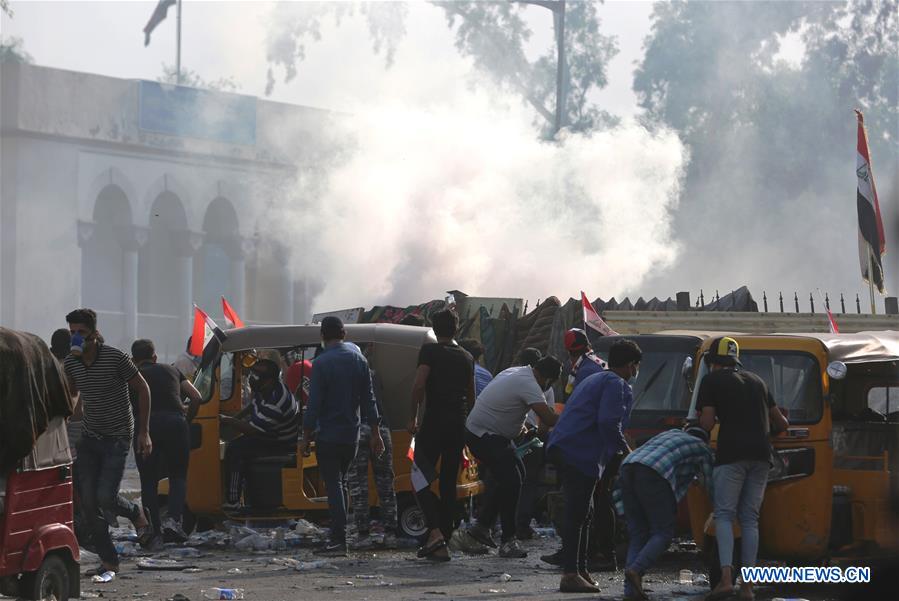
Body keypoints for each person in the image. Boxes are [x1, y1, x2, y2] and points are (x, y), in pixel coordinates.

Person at [546, 339, 641, 593]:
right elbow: (610, 423)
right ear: (632, 365)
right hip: (579, 452)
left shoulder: (594, 379)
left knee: (585, 512)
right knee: (578, 513)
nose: (635, 372)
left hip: (568, 448)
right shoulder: (615, 384)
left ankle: (580, 569)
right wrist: (627, 454)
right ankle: (570, 573)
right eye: (635, 367)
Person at [698, 337, 789, 601]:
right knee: (750, 519)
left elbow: (705, 423)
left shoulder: (711, 381)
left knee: (725, 515)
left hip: (731, 455)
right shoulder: (757, 380)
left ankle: (726, 580)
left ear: (713, 362)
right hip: (762, 455)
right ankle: (747, 588)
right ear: (736, 360)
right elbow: (781, 422)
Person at [63, 308, 152, 576]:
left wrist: (144, 432)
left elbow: (143, 388)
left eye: (81, 333)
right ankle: (109, 560)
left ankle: (135, 513)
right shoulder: (71, 362)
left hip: (118, 435)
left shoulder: (115, 357)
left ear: (94, 334)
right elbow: (73, 396)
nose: (76, 338)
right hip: (90, 436)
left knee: (105, 496)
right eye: (72, 333)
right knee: (88, 502)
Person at [465, 355, 562, 559]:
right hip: (485, 435)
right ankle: (507, 541)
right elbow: (549, 418)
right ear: (548, 379)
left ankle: (482, 525)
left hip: (489, 434)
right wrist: (577, 414)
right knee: (512, 481)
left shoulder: (516, 371)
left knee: (515, 476)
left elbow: (507, 408)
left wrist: (523, 428)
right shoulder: (529, 383)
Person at [302, 317, 384, 557]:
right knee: (343, 483)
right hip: (352, 436)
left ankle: (338, 540)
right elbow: (370, 400)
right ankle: (339, 536)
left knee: (334, 484)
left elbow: (314, 404)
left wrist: (305, 436)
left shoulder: (321, 362)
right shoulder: (359, 359)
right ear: (344, 334)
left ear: (322, 336)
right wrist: (376, 434)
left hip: (329, 434)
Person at [409, 309, 475, 561]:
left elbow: (418, 385)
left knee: (418, 477)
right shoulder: (467, 356)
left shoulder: (429, 351)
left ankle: (435, 531)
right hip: (458, 424)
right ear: (456, 329)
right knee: (448, 483)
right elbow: (471, 395)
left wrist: (411, 417)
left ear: (434, 330)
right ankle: (443, 541)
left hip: (434, 423)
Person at [620, 426, 714, 601]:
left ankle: (631, 592)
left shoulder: (669, 434)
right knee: (662, 533)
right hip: (654, 472)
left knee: (638, 534)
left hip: (628, 466)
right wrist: (721, 512)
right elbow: (711, 485)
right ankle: (636, 569)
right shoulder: (702, 447)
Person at [130, 339, 202, 544]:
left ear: (134, 360)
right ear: (155, 357)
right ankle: (174, 522)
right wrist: (185, 421)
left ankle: (154, 528)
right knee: (178, 476)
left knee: (148, 480)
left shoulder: (133, 375)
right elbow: (196, 397)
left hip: (146, 427)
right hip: (175, 424)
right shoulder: (172, 370)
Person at [220, 351, 300, 512]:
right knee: (237, 443)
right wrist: (237, 417)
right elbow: (253, 406)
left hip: (279, 442)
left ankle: (233, 500)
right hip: (268, 433)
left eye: (257, 375)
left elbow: (254, 430)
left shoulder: (277, 401)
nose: (252, 377)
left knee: (235, 449)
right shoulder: (265, 388)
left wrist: (227, 420)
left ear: (269, 379)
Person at [347, 345, 397, 548]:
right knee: (385, 481)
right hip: (381, 429)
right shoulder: (373, 374)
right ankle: (390, 532)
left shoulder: (346, 375)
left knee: (358, 483)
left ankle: (363, 532)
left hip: (358, 430)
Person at [515, 347, 554, 539]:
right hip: (532, 438)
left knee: (509, 480)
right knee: (529, 482)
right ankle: (521, 525)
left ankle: (504, 524)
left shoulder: (511, 377)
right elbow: (548, 419)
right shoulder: (547, 386)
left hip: (513, 436)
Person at [562, 328, 607, 401]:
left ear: (569, 353)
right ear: (588, 346)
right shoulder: (601, 363)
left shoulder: (584, 372)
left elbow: (579, 403)